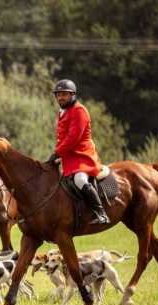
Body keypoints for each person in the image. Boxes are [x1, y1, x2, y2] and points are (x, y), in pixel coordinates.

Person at [46, 79, 109, 224]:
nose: (60, 97)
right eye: (58, 95)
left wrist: (57, 152)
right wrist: (59, 156)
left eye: (64, 94)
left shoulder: (79, 110)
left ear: (72, 95)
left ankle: (101, 213)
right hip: (69, 156)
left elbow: (73, 138)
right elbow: (62, 137)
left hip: (83, 155)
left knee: (80, 180)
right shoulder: (63, 111)